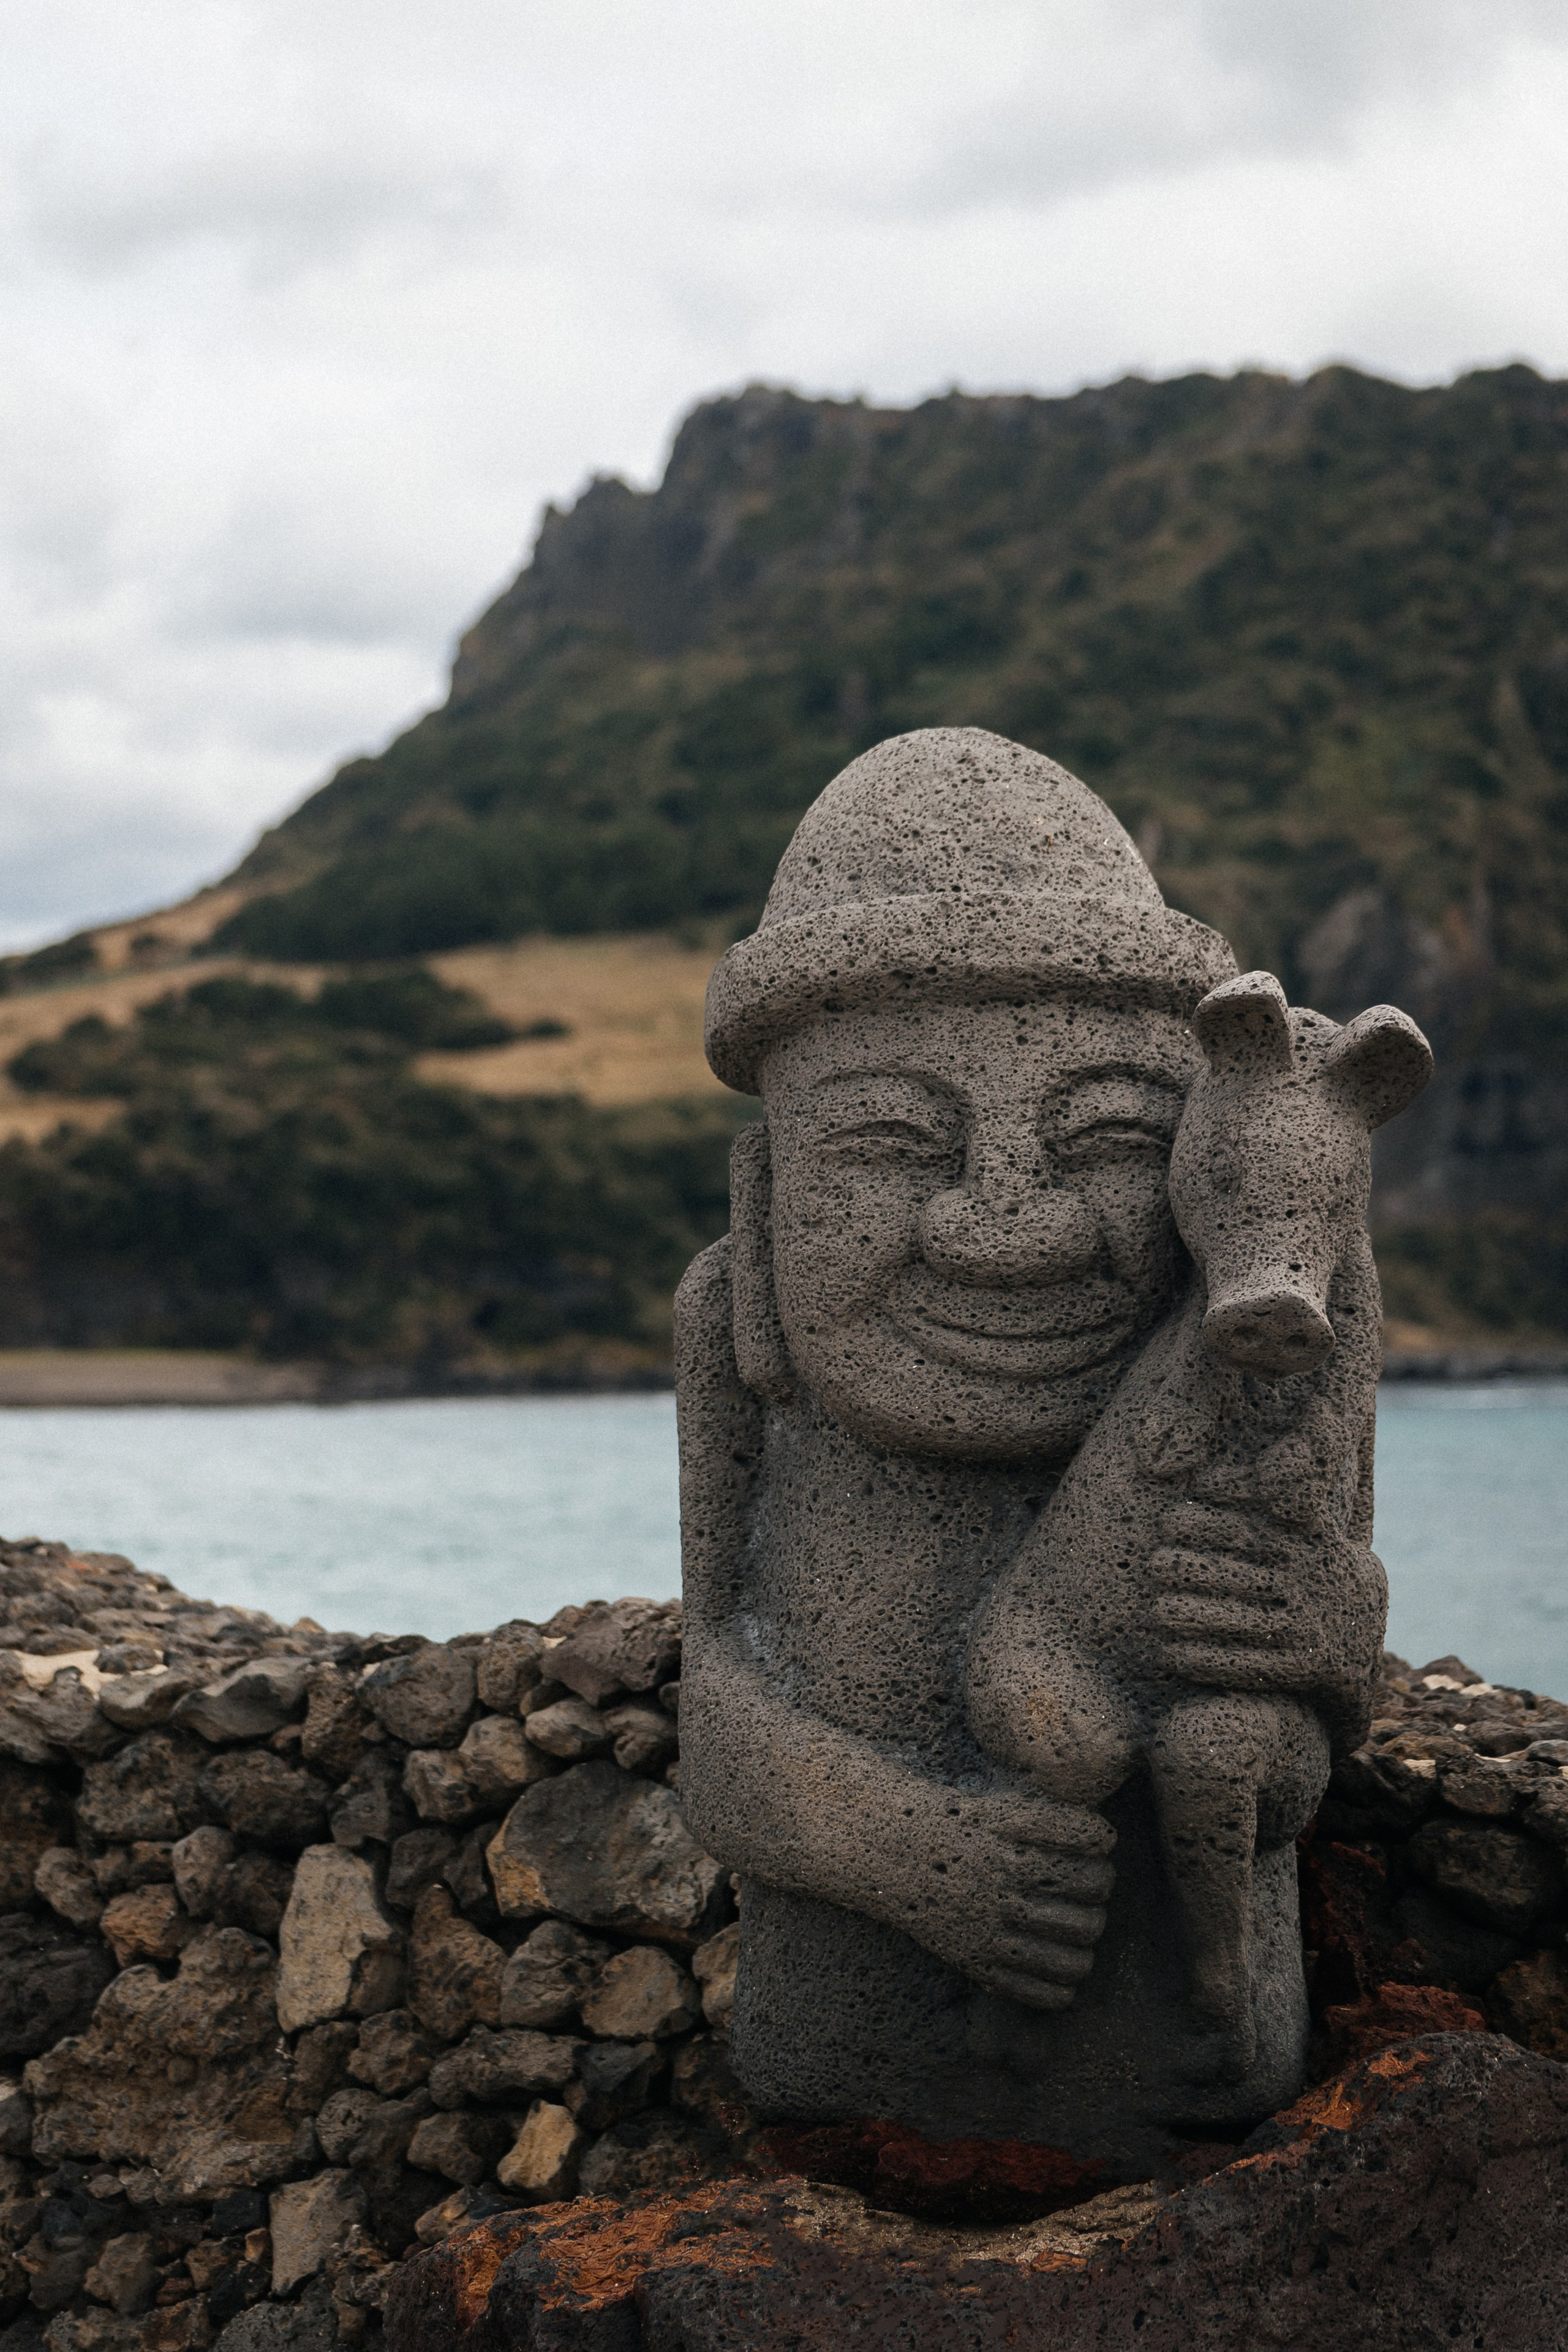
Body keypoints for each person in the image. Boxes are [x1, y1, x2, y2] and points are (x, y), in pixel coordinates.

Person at [675, 728, 1385, 2167]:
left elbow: (1336, 1625)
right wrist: (908, 1853)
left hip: (1198, 2052)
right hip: (844, 2038)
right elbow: (715, 1691)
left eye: (1103, 1142)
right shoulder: (730, 1336)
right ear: (759, 1211)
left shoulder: (1270, 1326)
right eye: (889, 1146)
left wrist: (1326, 1634)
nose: (1010, 1230)